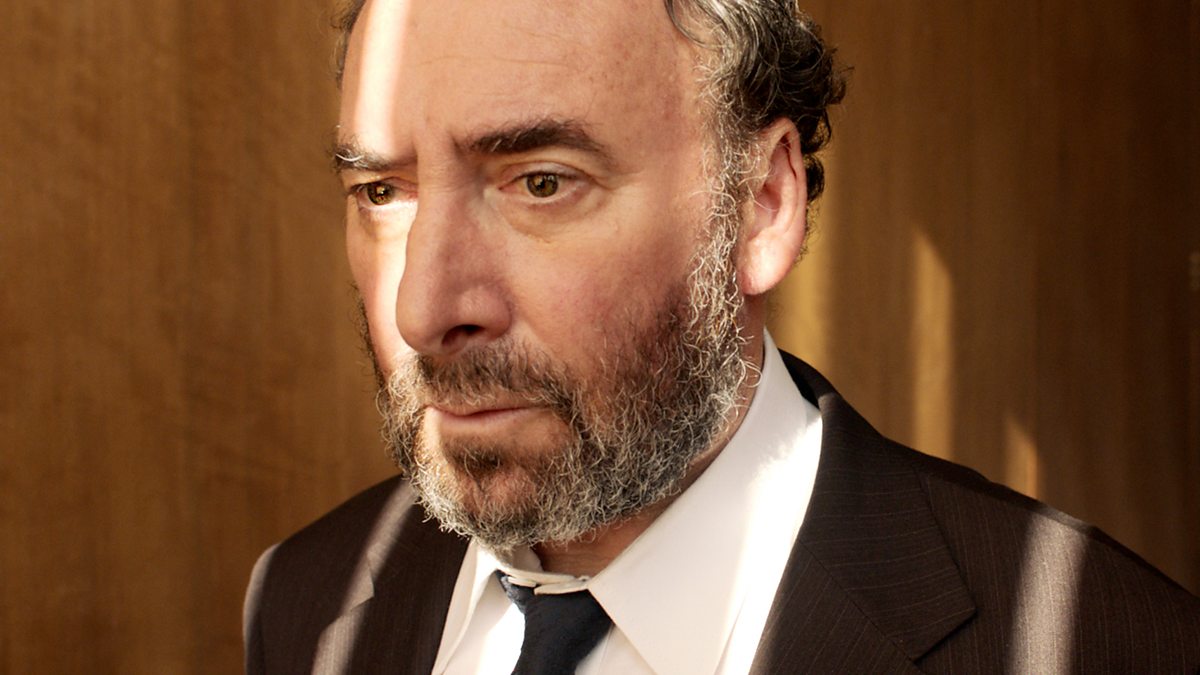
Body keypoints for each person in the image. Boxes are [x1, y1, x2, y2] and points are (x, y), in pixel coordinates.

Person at [243, 0, 1200, 672]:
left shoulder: (1102, 646)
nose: (422, 310)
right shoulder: (305, 600)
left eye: (541, 182)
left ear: (762, 203)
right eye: (382, 192)